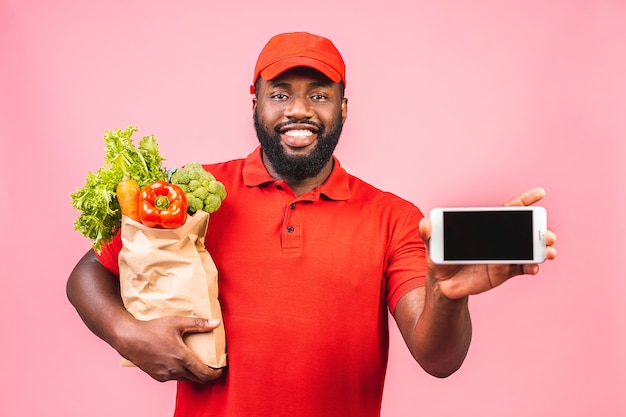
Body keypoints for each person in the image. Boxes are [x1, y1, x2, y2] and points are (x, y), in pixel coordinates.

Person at [67, 31, 557, 417]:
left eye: (319, 95)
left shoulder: (393, 217)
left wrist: (448, 295)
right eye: (280, 94)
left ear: (343, 108)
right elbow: (87, 273)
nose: (299, 110)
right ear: (254, 102)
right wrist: (126, 333)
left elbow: (439, 359)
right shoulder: (195, 194)